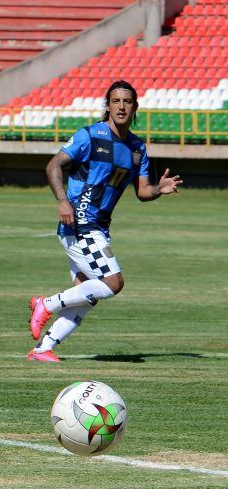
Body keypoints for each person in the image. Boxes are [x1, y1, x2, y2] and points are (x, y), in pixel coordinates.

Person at [27, 80, 183, 362]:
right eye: (116, 101)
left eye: (127, 101)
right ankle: (45, 304)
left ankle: (42, 349)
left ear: (135, 107)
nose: (121, 106)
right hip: (79, 225)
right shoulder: (90, 136)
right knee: (113, 282)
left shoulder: (137, 148)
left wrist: (160, 189)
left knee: (86, 292)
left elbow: (143, 191)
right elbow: (53, 165)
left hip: (99, 227)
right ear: (107, 106)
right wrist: (63, 200)